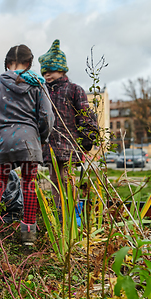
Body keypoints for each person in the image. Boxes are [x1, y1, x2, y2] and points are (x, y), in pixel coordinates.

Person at [0, 44, 54, 246]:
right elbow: (47, 116)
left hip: (2, 142)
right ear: (29, 63)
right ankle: (28, 236)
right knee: (28, 185)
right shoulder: (38, 83)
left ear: (7, 63)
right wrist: (41, 137)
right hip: (29, 141)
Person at [38, 39, 98, 210]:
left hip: (69, 146)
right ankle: (60, 214)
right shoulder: (43, 91)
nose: (47, 75)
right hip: (49, 147)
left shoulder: (74, 90)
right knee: (55, 182)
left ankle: (74, 214)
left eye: (50, 71)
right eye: (44, 72)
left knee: (68, 180)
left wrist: (88, 137)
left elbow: (85, 114)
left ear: (61, 69)